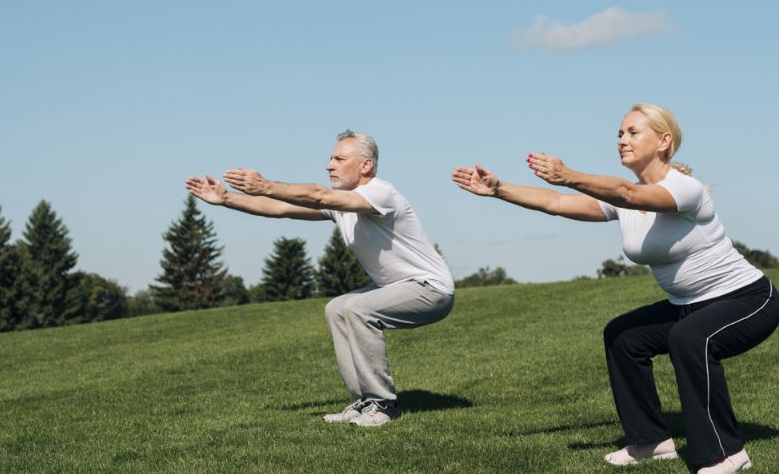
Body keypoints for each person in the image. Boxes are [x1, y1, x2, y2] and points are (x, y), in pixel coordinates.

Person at [451, 103, 778, 474]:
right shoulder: (624, 199)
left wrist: (569, 174)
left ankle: (726, 453)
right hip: (687, 305)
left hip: (748, 299)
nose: (622, 140)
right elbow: (557, 202)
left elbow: (628, 194)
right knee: (624, 336)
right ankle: (651, 441)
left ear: (664, 141)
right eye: (620, 134)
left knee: (690, 338)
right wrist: (499, 189)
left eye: (633, 132)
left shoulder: (685, 189)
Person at [187, 130, 455, 427]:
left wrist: (265, 185)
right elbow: (281, 208)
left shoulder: (381, 193)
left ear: (366, 165)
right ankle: (365, 400)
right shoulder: (341, 206)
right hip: (396, 288)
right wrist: (226, 198)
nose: (329, 165)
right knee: (337, 308)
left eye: (339, 159)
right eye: (330, 159)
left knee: (358, 308)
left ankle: (385, 405)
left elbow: (318, 195)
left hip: (431, 289)